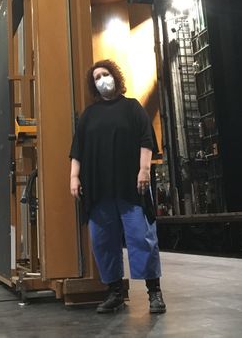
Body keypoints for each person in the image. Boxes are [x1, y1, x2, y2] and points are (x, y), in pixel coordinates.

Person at [69, 59, 166, 314]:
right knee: (102, 242)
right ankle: (114, 292)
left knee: (142, 238)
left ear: (115, 76)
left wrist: (144, 170)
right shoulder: (89, 115)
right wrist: (74, 177)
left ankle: (154, 293)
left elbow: (147, 140)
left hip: (132, 187)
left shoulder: (132, 108)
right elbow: (77, 149)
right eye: (97, 77)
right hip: (99, 190)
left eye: (105, 74)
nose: (102, 79)